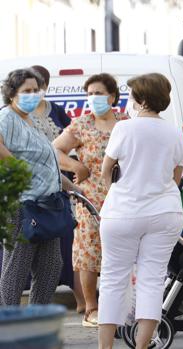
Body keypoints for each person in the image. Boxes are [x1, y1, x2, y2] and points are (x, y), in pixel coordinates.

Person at [97, 73, 183, 349]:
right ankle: (143, 345)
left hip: (123, 212)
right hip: (165, 213)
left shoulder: (125, 129)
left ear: (142, 100)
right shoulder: (174, 132)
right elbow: (177, 176)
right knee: (152, 280)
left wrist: (121, 188)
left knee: (113, 279)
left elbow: (104, 172)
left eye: (132, 95)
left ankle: (104, 348)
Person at [0, 68, 81, 306]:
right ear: (12, 93)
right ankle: (8, 324)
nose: (33, 94)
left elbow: (47, 162)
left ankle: (37, 323)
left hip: (47, 204)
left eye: (36, 90)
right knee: (17, 267)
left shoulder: (32, 120)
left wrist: (72, 187)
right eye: (27, 90)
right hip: (22, 204)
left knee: (50, 266)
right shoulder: (7, 117)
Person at [53, 73, 128, 327]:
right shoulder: (81, 124)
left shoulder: (126, 123)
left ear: (113, 96)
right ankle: (91, 308)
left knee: (118, 253)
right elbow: (54, 149)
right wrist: (75, 165)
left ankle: (118, 306)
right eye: (90, 94)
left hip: (122, 197)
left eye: (99, 93)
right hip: (90, 198)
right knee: (88, 251)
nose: (94, 98)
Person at [29, 65, 87, 314]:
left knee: (59, 253)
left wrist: (72, 182)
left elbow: (66, 145)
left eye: (39, 86)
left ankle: (81, 302)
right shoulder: (11, 117)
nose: (36, 91)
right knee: (19, 262)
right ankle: (12, 320)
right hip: (27, 198)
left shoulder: (57, 111)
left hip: (57, 192)